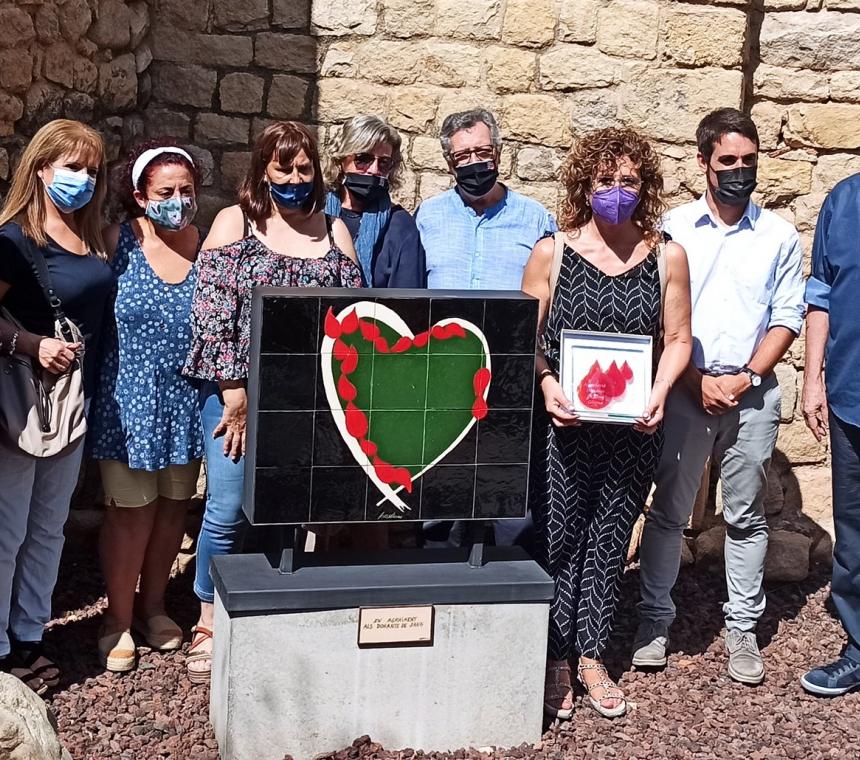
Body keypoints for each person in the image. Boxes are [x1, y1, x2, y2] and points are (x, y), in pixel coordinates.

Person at [181, 121, 363, 683]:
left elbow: (355, 315)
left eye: (304, 168)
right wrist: (233, 394)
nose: (293, 178)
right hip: (237, 392)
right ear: (263, 168)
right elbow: (210, 315)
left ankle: (266, 600)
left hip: (307, 398)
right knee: (229, 505)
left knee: (287, 502)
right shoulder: (235, 223)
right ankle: (209, 614)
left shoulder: (335, 230)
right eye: (282, 168)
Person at [523, 127, 692, 720]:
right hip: (564, 429)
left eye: (627, 180)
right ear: (583, 185)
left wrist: (661, 389)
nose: (616, 190)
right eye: (604, 180)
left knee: (610, 539)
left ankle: (590, 656)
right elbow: (527, 340)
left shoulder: (667, 255)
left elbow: (677, 339)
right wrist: (546, 384)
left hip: (633, 429)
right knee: (558, 539)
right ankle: (552, 656)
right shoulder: (554, 253)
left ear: (643, 186)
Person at [634, 108, 806, 686]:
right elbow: (660, 319)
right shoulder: (673, 230)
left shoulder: (780, 235)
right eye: (727, 161)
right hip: (687, 388)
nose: (739, 170)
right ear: (704, 162)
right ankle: (654, 621)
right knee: (668, 514)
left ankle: (741, 629)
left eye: (748, 161)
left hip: (751, 394)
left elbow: (786, 318)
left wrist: (746, 378)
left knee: (746, 516)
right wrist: (694, 381)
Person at [0, 119, 114, 693]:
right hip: (20, 405)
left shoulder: (94, 238)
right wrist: (31, 343)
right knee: (6, 528)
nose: (83, 180)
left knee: (48, 528)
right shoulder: (14, 241)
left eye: (92, 170)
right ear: (41, 169)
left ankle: (28, 637)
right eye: (72, 167)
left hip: (73, 404)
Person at [416, 108, 557, 548]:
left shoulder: (536, 220)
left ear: (498, 154)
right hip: (439, 374)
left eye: (483, 152)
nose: (475, 163)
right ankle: (436, 584)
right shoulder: (427, 217)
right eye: (463, 156)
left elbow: (553, 295)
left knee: (508, 492)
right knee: (439, 487)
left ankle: (506, 592)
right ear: (449, 163)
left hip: (511, 376)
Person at [88, 141, 205, 672]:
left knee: (171, 510)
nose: (178, 200)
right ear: (139, 196)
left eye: (186, 190)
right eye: (165, 192)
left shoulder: (204, 244)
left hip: (184, 401)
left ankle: (154, 608)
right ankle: (117, 618)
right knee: (129, 513)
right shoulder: (119, 243)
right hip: (128, 401)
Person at [799, 172, 860, 696]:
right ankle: (859, 648)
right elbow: (820, 295)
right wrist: (812, 378)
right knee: (854, 534)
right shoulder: (844, 200)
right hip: (850, 398)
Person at [324, 114, 426, 288]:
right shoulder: (314, 214)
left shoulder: (401, 226)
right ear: (341, 160)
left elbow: (407, 302)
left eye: (384, 163)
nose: (373, 170)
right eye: (363, 159)